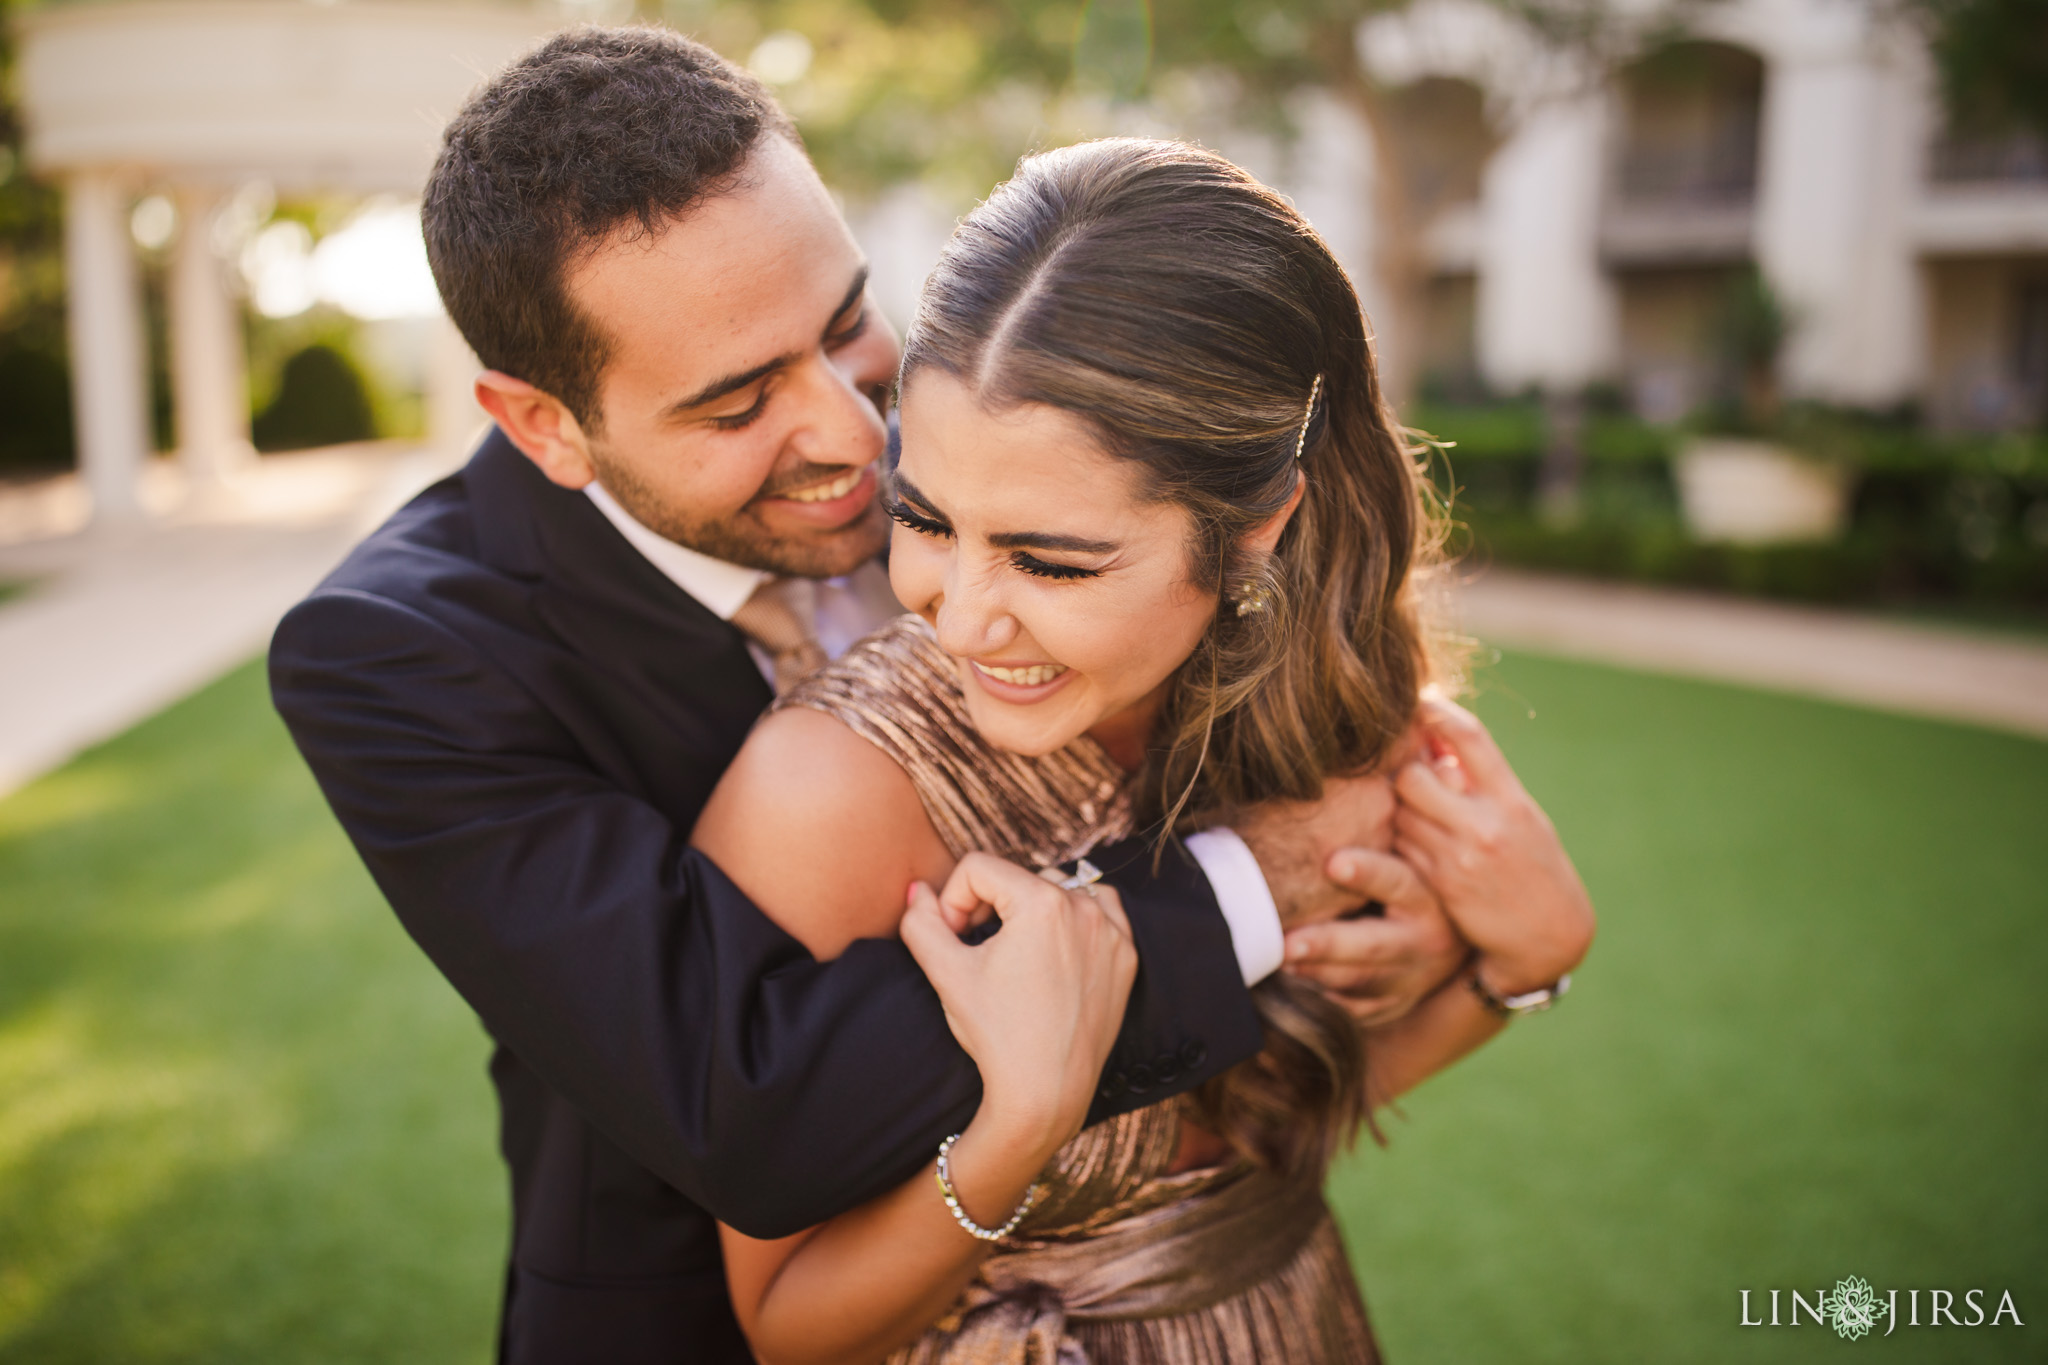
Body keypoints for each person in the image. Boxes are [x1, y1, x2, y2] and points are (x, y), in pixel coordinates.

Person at [267, 27, 1591, 1364]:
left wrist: (1490, 967)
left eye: (846, 322)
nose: (856, 435)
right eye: (739, 405)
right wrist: (1257, 891)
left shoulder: (1019, 454)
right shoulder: (401, 656)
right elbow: (748, 1104)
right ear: (545, 423)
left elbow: (1235, 1129)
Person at [690, 138, 1596, 1363]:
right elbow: (786, 1328)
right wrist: (1020, 1128)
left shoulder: (1334, 722)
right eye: (923, 518)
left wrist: (1520, 969)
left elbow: (1256, 1140)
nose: (958, 614)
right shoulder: (826, 795)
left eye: (1051, 561)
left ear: (1259, 524)